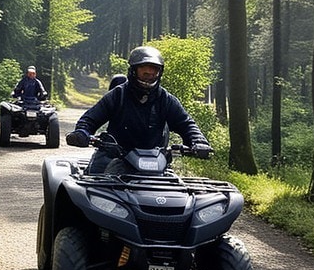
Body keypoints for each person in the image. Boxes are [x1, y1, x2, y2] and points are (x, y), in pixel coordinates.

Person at [66, 46, 211, 174]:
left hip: (156, 162)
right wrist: (82, 133)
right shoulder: (118, 95)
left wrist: (198, 141)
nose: (149, 75)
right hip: (114, 156)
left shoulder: (165, 99)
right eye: (144, 71)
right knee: (92, 188)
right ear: (134, 71)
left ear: (160, 72)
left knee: (173, 193)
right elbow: (90, 119)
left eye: (153, 71)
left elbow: (186, 123)